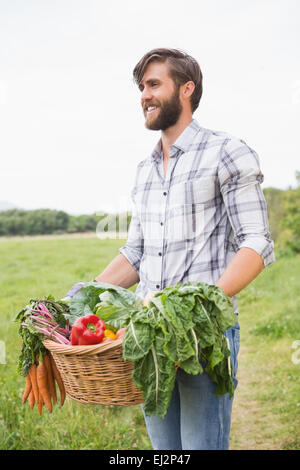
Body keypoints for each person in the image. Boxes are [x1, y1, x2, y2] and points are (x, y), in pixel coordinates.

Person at [67, 48, 275, 450]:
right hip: (148, 340)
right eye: (141, 87)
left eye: (154, 84)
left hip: (202, 336)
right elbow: (136, 252)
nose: (144, 94)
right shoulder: (145, 172)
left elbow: (257, 241)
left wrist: (202, 304)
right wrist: (82, 300)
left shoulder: (226, 151)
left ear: (186, 89)